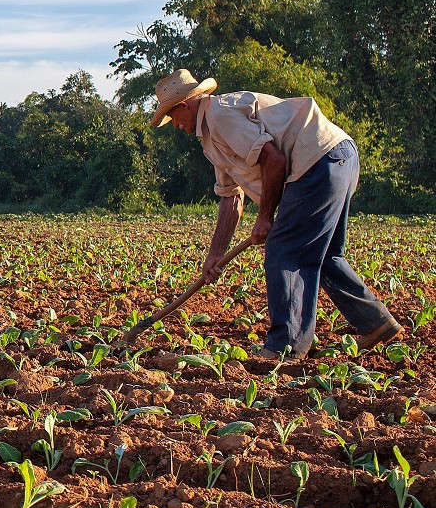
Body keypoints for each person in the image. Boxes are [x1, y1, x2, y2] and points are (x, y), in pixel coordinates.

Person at [151, 69, 403, 360]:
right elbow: (231, 197)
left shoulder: (219, 116)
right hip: (338, 157)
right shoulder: (210, 136)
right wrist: (215, 255)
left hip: (318, 162)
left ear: (184, 106)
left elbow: (274, 159)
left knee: (285, 250)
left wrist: (266, 217)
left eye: (173, 117)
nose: (175, 126)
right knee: (325, 254)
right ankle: (377, 324)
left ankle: (286, 345)